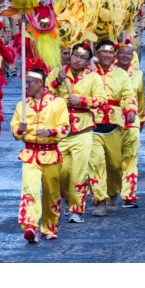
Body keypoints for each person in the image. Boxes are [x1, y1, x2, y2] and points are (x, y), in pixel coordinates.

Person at [45, 42, 107, 224]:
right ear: (70, 56)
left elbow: (102, 101)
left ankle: (76, 210)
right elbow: (43, 94)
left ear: (88, 61)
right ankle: (67, 196)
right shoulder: (57, 72)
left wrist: (81, 100)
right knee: (62, 173)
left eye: (83, 58)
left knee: (79, 173)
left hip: (83, 131)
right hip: (61, 131)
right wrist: (56, 81)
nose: (78, 60)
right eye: (75, 56)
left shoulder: (93, 77)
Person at [10, 68, 69, 243]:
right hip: (30, 154)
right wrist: (18, 130)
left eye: (30, 82)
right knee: (30, 189)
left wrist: (51, 131)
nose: (26, 85)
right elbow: (14, 130)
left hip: (51, 153)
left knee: (51, 192)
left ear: (41, 83)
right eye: (25, 82)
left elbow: (65, 127)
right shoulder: (22, 104)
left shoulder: (58, 103)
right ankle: (30, 226)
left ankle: (50, 227)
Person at [88, 40, 136, 217]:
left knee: (115, 165)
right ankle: (99, 201)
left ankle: (113, 193)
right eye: (103, 52)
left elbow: (129, 94)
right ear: (97, 54)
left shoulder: (121, 74)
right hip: (92, 123)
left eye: (110, 53)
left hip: (114, 124)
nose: (107, 56)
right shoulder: (89, 72)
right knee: (95, 163)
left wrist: (130, 109)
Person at [115, 39, 145, 208]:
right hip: (112, 121)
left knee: (130, 158)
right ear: (116, 55)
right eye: (122, 52)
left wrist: (142, 117)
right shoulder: (108, 73)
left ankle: (128, 194)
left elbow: (140, 97)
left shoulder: (138, 73)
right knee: (113, 161)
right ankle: (110, 189)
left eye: (129, 53)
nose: (126, 55)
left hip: (132, 121)